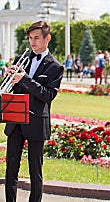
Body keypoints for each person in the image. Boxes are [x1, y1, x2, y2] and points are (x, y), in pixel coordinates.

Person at [4, 20, 64, 202]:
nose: (32, 42)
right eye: (30, 38)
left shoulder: (56, 67)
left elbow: (47, 95)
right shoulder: (22, 60)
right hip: (15, 120)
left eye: (36, 38)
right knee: (11, 169)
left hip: (36, 122)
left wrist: (24, 79)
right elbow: (14, 88)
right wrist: (10, 76)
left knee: (35, 171)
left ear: (47, 38)